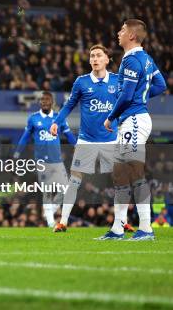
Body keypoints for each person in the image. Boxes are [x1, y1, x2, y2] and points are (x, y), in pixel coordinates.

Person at [49, 45, 133, 232]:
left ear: (106, 59)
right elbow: (69, 105)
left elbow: (126, 104)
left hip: (111, 139)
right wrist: (56, 122)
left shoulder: (118, 81)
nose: (94, 59)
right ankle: (63, 222)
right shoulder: (82, 82)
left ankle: (122, 221)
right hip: (86, 140)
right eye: (92, 56)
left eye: (98, 55)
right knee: (75, 180)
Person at [98, 19, 166, 241]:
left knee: (135, 173)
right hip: (132, 119)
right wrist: (141, 95)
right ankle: (118, 229)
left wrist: (111, 117)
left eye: (122, 30)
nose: (118, 33)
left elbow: (127, 96)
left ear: (132, 36)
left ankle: (146, 228)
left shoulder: (132, 60)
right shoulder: (145, 59)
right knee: (120, 174)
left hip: (134, 120)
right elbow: (160, 85)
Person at [14, 91, 77, 228]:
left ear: (52, 102)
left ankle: (51, 209)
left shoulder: (59, 118)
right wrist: (17, 153)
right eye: (42, 100)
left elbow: (68, 135)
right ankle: (50, 221)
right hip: (41, 161)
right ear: (39, 102)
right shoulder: (33, 118)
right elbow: (25, 137)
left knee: (66, 190)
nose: (44, 102)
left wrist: (77, 146)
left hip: (57, 160)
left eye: (47, 100)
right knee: (47, 190)